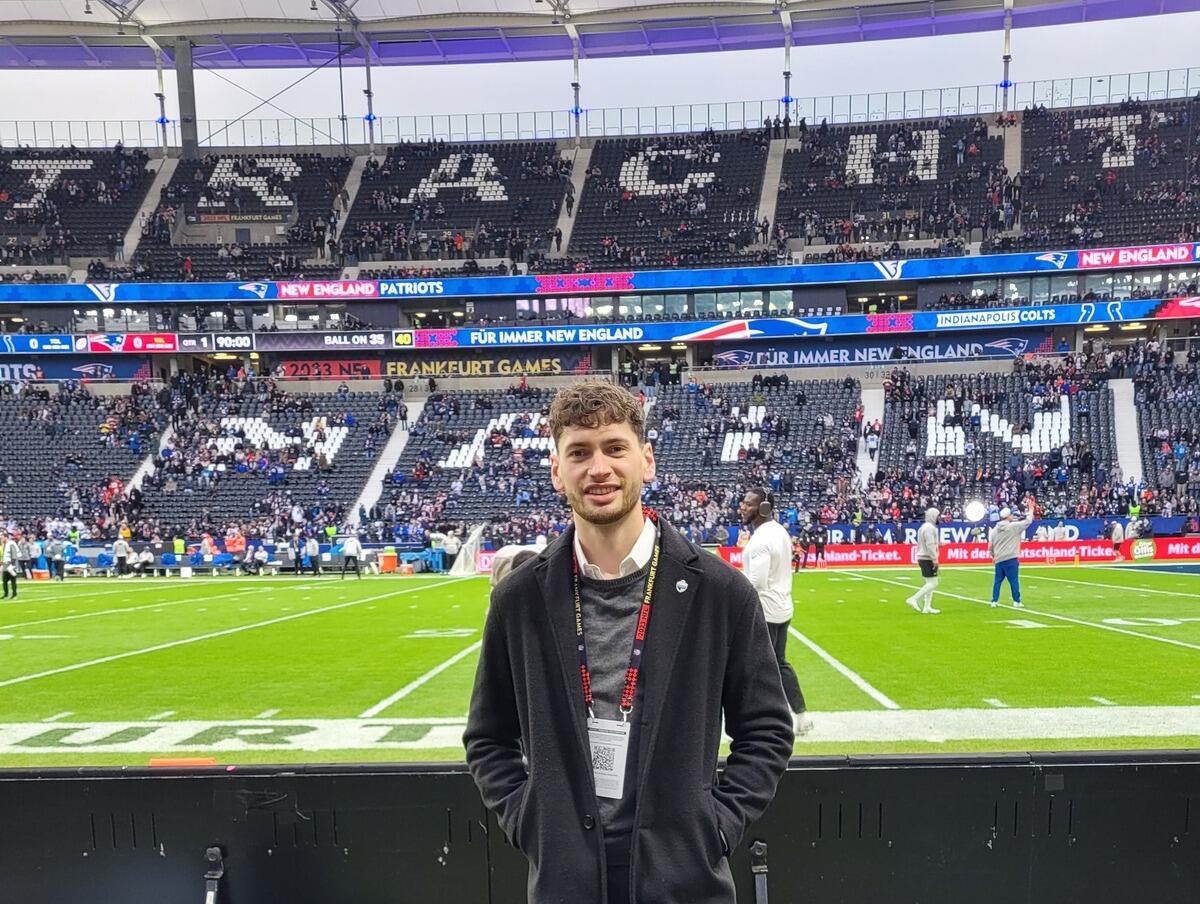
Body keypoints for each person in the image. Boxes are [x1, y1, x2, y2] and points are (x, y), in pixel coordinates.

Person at [464, 379, 793, 904]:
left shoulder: (720, 592)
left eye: (615, 448)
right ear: (556, 471)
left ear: (647, 460)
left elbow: (768, 729)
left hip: (685, 879)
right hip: (564, 882)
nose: (599, 468)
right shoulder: (519, 600)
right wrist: (532, 824)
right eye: (579, 452)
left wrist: (715, 826)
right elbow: (487, 738)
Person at [739, 487, 813, 735]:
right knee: (779, 664)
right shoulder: (779, 530)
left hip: (765, 611)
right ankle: (801, 715)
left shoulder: (760, 540)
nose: (743, 506)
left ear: (763, 508)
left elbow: (756, 582)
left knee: (759, 670)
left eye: (749, 504)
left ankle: (770, 721)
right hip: (782, 606)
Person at [989, 507, 1033, 608]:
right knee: (1013, 580)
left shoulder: (995, 530)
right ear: (1008, 516)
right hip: (1010, 557)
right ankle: (1016, 601)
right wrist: (1030, 510)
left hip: (999, 558)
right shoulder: (1013, 526)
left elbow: (991, 546)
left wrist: (993, 556)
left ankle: (994, 601)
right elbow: (1028, 521)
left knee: (997, 581)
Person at [905, 507, 941, 614]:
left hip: (923, 556)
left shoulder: (923, 527)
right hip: (927, 557)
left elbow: (928, 543)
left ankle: (927, 607)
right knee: (933, 583)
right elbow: (929, 544)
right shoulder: (930, 528)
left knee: (929, 582)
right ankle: (914, 598)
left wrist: (938, 545)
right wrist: (935, 558)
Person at [1, 530, 20, 599]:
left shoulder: (11, 543)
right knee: (4, 581)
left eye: (2, 537)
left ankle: (14, 595)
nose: (1, 539)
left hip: (10, 564)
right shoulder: (4, 544)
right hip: (5, 564)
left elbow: (14, 554)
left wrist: (12, 564)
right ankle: (6, 594)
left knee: (13, 580)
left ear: (6, 537)